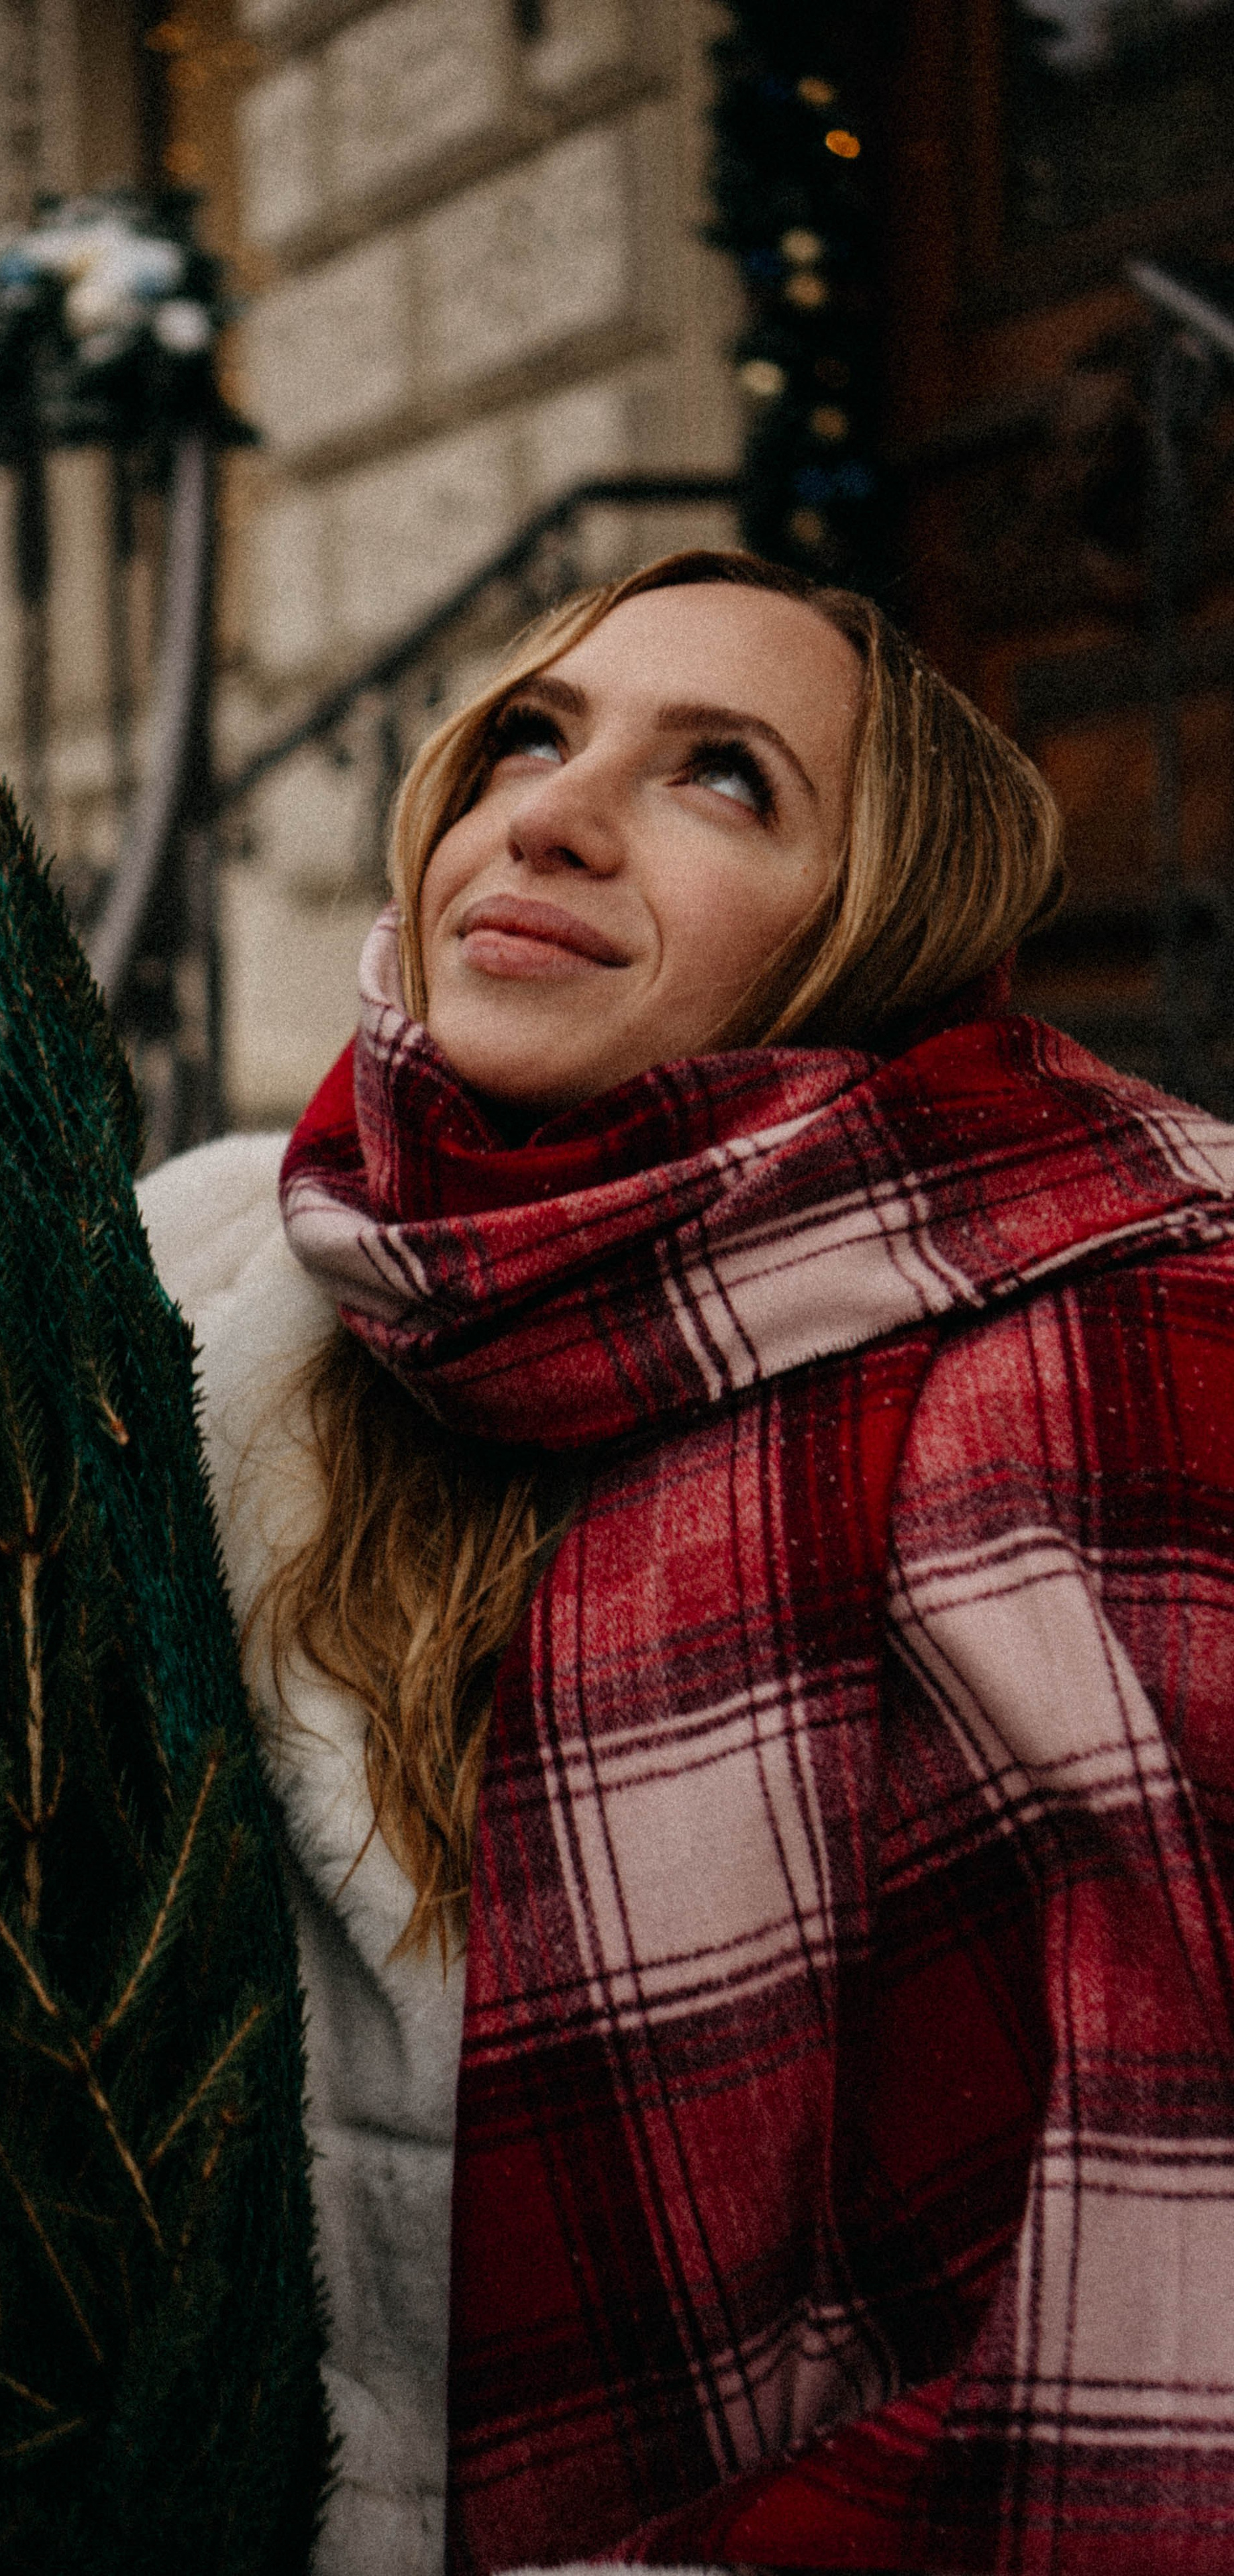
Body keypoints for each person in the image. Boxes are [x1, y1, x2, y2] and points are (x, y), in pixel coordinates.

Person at [136, 549, 1234, 2576]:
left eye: (724, 777)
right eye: (528, 738)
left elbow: (1164, 2274)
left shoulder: (1097, 1354)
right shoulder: (227, 1280)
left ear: (872, 938)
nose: (546, 814)